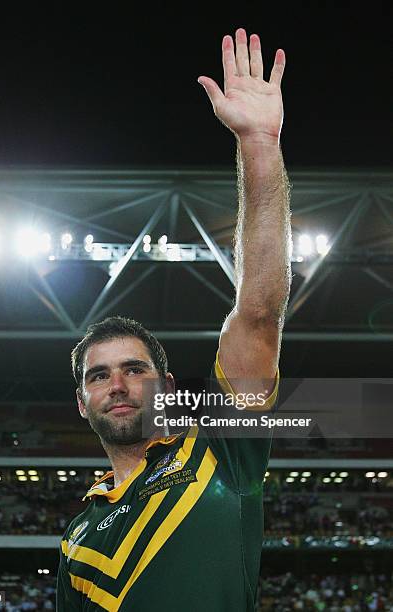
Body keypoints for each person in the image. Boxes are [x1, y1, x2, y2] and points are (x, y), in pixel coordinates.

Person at [57, 26, 291, 611]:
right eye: (98, 375)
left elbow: (259, 313)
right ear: (81, 403)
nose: (116, 383)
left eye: (135, 369)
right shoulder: (77, 544)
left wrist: (259, 145)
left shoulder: (221, 453)